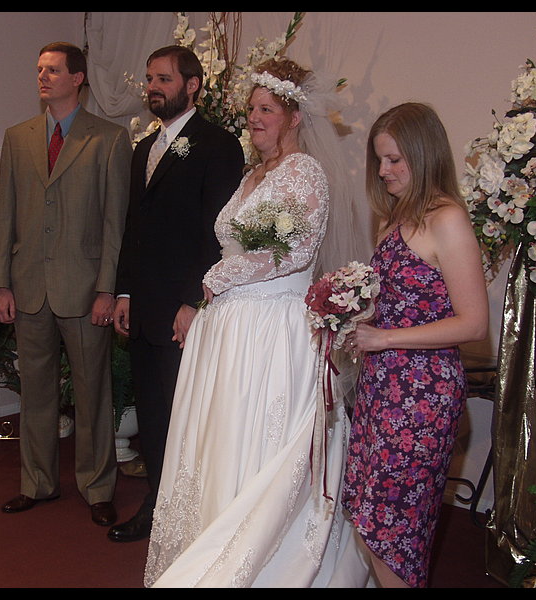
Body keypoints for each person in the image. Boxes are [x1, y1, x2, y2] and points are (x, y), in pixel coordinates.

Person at [143, 57, 372, 587]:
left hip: (273, 328)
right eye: (251, 108)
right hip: (230, 329)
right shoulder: (252, 175)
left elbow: (294, 251)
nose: (254, 117)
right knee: (223, 440)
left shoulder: (305, 172)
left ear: (294, 117)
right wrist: (215, 291)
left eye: (267, 109)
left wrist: (217, 278)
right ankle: (213, 538)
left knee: (263, 443)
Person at [342, 102, 489, 588]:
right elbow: (398, 303)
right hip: (381, 388)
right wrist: (348, 316)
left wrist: (385, 338)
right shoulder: (394, 217)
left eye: (395, 160)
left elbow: (474, 323)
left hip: (422, 396)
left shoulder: (447, 219)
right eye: (379, 159)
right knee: (371, 520)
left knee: (394, 532)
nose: (383, 171)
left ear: (424, 155)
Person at [0, 42, 132, 526]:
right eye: (39, 69)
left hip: (85, 288)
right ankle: (37, 483)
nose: (43, 77)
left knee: (93, 394)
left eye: (53, 70)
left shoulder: (109, 139)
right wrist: (1, 284)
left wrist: (107, 289)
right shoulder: (18, 137)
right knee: (36, 393)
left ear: (78, 78)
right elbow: (5, 215)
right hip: (28, 286)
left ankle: (97, 488)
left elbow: (115, 224)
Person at [107, 45, 245, 543]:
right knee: (153, 414)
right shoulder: (144, 148)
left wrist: (194, 301)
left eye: (163, 79)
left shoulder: (218, 145)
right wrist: (125, 292)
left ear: (192, 86)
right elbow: (133, 226)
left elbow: (217, 235)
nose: (153, 87)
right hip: (144, 307)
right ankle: (158, 504)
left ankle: (187, 514)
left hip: (185, 311)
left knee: (186, 416)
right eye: (149, 79)